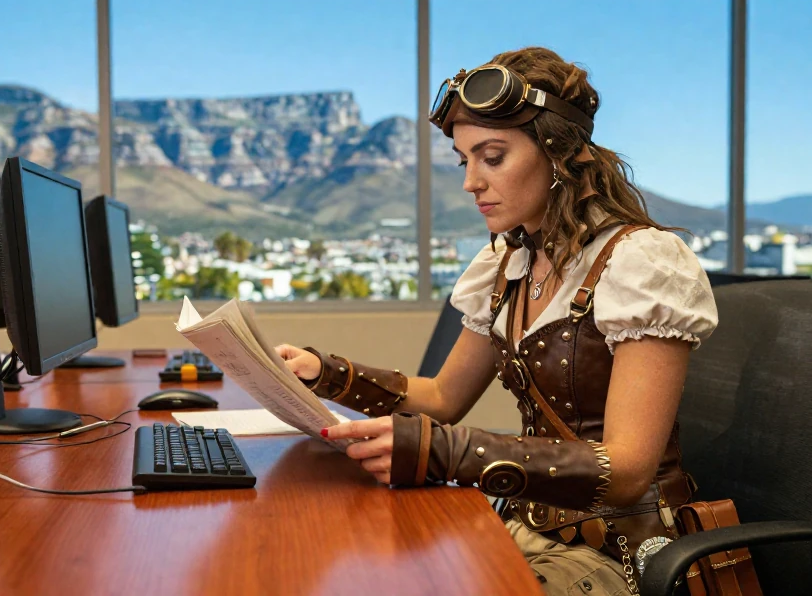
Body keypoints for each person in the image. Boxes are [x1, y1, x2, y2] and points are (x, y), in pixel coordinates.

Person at [276, 46, 718, 595]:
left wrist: (444, 452)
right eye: (466, 161)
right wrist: (328, 374)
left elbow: (627, 472)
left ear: (559, 153)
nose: (471, 183)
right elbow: (441, 398)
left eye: (493, 156)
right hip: (524, 525)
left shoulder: (643, 262)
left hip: (619, 550)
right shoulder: (505, 266)